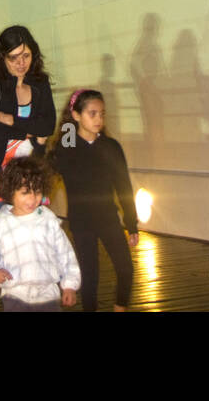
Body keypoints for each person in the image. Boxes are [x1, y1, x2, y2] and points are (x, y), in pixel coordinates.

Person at [47, 88, 138, 311]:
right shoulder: (66, 148)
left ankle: (120, 308)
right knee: (89, 276)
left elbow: (124, 186)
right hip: (81, 221)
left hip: (108, 218)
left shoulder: (111, 147)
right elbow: (46, 176)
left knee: (126, 268)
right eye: (92, 113)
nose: (98, 119)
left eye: (102, 114)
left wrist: (131, 223)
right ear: (76, 115)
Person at [0, 157, 80, 311]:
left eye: (37, 192)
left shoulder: (48, 219)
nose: (32, 198)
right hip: (15, 295)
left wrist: (70, 284)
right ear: (11, 192)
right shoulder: (2, 223)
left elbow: (65, 253)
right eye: (25, 193)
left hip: (48, 295)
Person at [0, 26, 56, 222]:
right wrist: (27, 132)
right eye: (14, 57)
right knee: (4, 233)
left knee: (33, 231)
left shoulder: (40, 82)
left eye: (26, 56)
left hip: (31, 169)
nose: (21, 63)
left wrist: (11, 120)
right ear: (2, 56)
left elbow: (47, 125)